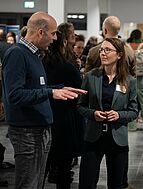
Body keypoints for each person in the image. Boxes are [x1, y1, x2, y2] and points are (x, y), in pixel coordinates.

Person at [2, 12, 87, 189]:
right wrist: (50, 93)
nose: (56, 38)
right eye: (54, 33)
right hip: (27, 132)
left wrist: (57, 89)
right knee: (28, 184)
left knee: (36, 183)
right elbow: (15, 95)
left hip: (39, 131)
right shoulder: (17, 54)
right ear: (41, 32)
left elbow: (35, 88)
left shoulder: (35, 55)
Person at [77, 37, 138, 189]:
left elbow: (133, 111)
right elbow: (80, 106)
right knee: (86, 182)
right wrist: (93, 114)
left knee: (116, 184)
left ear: (119, 55)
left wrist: (119, 115)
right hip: (93, 138)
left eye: (107, 50)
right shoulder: (91, 77)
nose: (103, 53)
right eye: (101, 50)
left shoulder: (129, 81)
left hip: (117, 138)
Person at [43, 31, 84, 189]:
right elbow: (79, 91)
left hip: (45, 118)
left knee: (42, 169)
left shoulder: (39, 65)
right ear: (62, 45)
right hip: (66, 120)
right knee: (64, 171)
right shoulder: (68, 67)